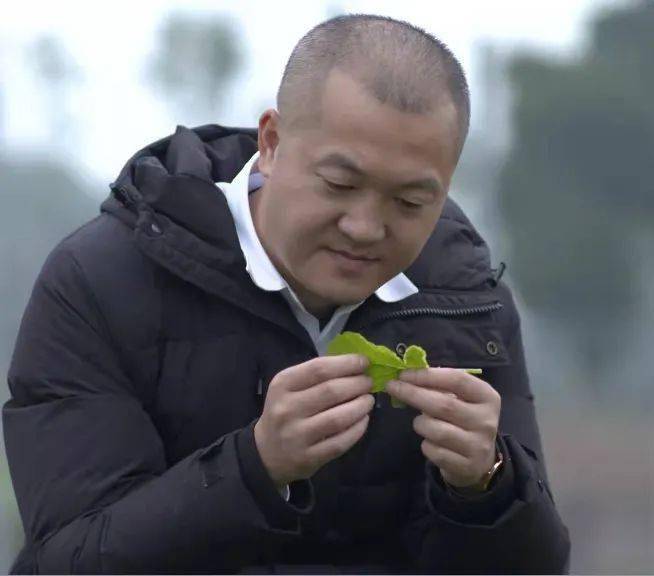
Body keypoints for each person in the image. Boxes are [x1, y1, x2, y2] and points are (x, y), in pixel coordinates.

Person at [2, 14, 570, 574]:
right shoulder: (101, 282)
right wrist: (256, 468)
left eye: (411, 203)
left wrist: (488, 486)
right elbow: (69, 557)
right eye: (340, 185)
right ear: (272, 142)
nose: (365, 227)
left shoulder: (467, 301)